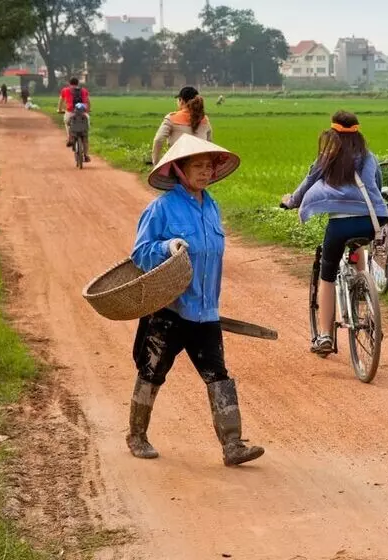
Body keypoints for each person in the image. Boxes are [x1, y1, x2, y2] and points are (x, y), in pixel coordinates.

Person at [128, 134, 264, 467]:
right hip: (168, 309)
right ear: (179, 169)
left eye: (208, 167)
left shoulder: (211, 205)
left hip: (205, 311)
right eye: (197, 166)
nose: (205, 173)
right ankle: (136, 435)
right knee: (152, 370)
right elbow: (139, 253)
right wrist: (167, 246)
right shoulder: (161, 208)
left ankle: (232, 444)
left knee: (217, 374)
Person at [281, 111, 388, 355]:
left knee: (328, 274)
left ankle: (325, 336)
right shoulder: (368, 157)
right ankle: (366, 301)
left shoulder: (328, 157)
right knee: (358, 248)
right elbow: (377, 184)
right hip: (370, 222)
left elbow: (308, 182)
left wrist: (291, 202)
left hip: (340, 225)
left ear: (333, 133)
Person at [151, 86, 212, 165]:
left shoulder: (172, 118)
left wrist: (156, 162)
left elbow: (158, 139)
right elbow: (209, 142)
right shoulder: (204, 119)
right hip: (199, 164)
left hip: (178, 163)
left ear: (181, 101)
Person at [57, 77, 91, 147]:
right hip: (82, 112)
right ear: (78, 83)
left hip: (70, 112)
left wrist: (59, 110)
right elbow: (88, 102)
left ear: (69, 83)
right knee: (86, 126)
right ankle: (86, 153)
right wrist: (88, 110)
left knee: (67, 123)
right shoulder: (84, 90)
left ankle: (70, 138)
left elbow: (60, 101)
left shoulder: (65, 90)